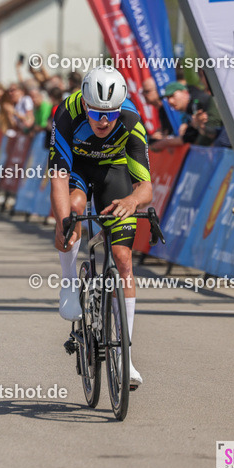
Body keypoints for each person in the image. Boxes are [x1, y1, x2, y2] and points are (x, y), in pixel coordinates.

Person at [48, 66, 152, 389]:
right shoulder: (68, 113)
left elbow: (145, 186)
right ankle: (68, 283)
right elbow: (58, 177)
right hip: (76, 170)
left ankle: (127, 358)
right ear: (86, 105)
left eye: (110, 114)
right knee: (74, 211)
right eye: (96, 113)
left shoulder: (132, 120)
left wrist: (132, 202)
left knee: (123, 259)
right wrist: (65, 223)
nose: (104, 121)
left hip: (112, 170)